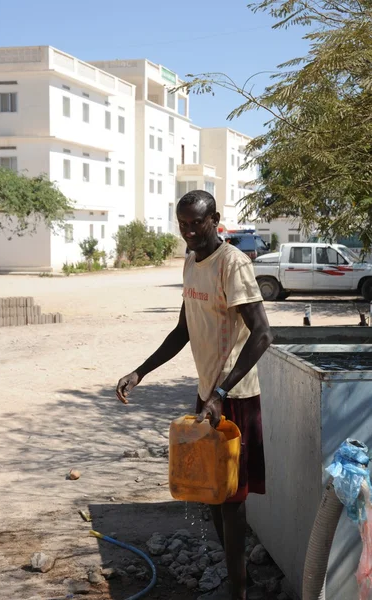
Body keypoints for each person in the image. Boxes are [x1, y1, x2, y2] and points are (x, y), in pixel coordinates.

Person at [116, 190, 272, 600]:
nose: (188, 231)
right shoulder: (190, 261)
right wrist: (140, 371)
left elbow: (263, 334)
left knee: (231, 499)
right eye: (182, 224)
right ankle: (235, 579)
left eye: (196, 223)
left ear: (215, 220)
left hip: (234, 397)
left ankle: (238, 592)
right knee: (210, 491)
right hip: (209, 395)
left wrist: (222, 390)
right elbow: (183, 330)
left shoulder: (232, 264)